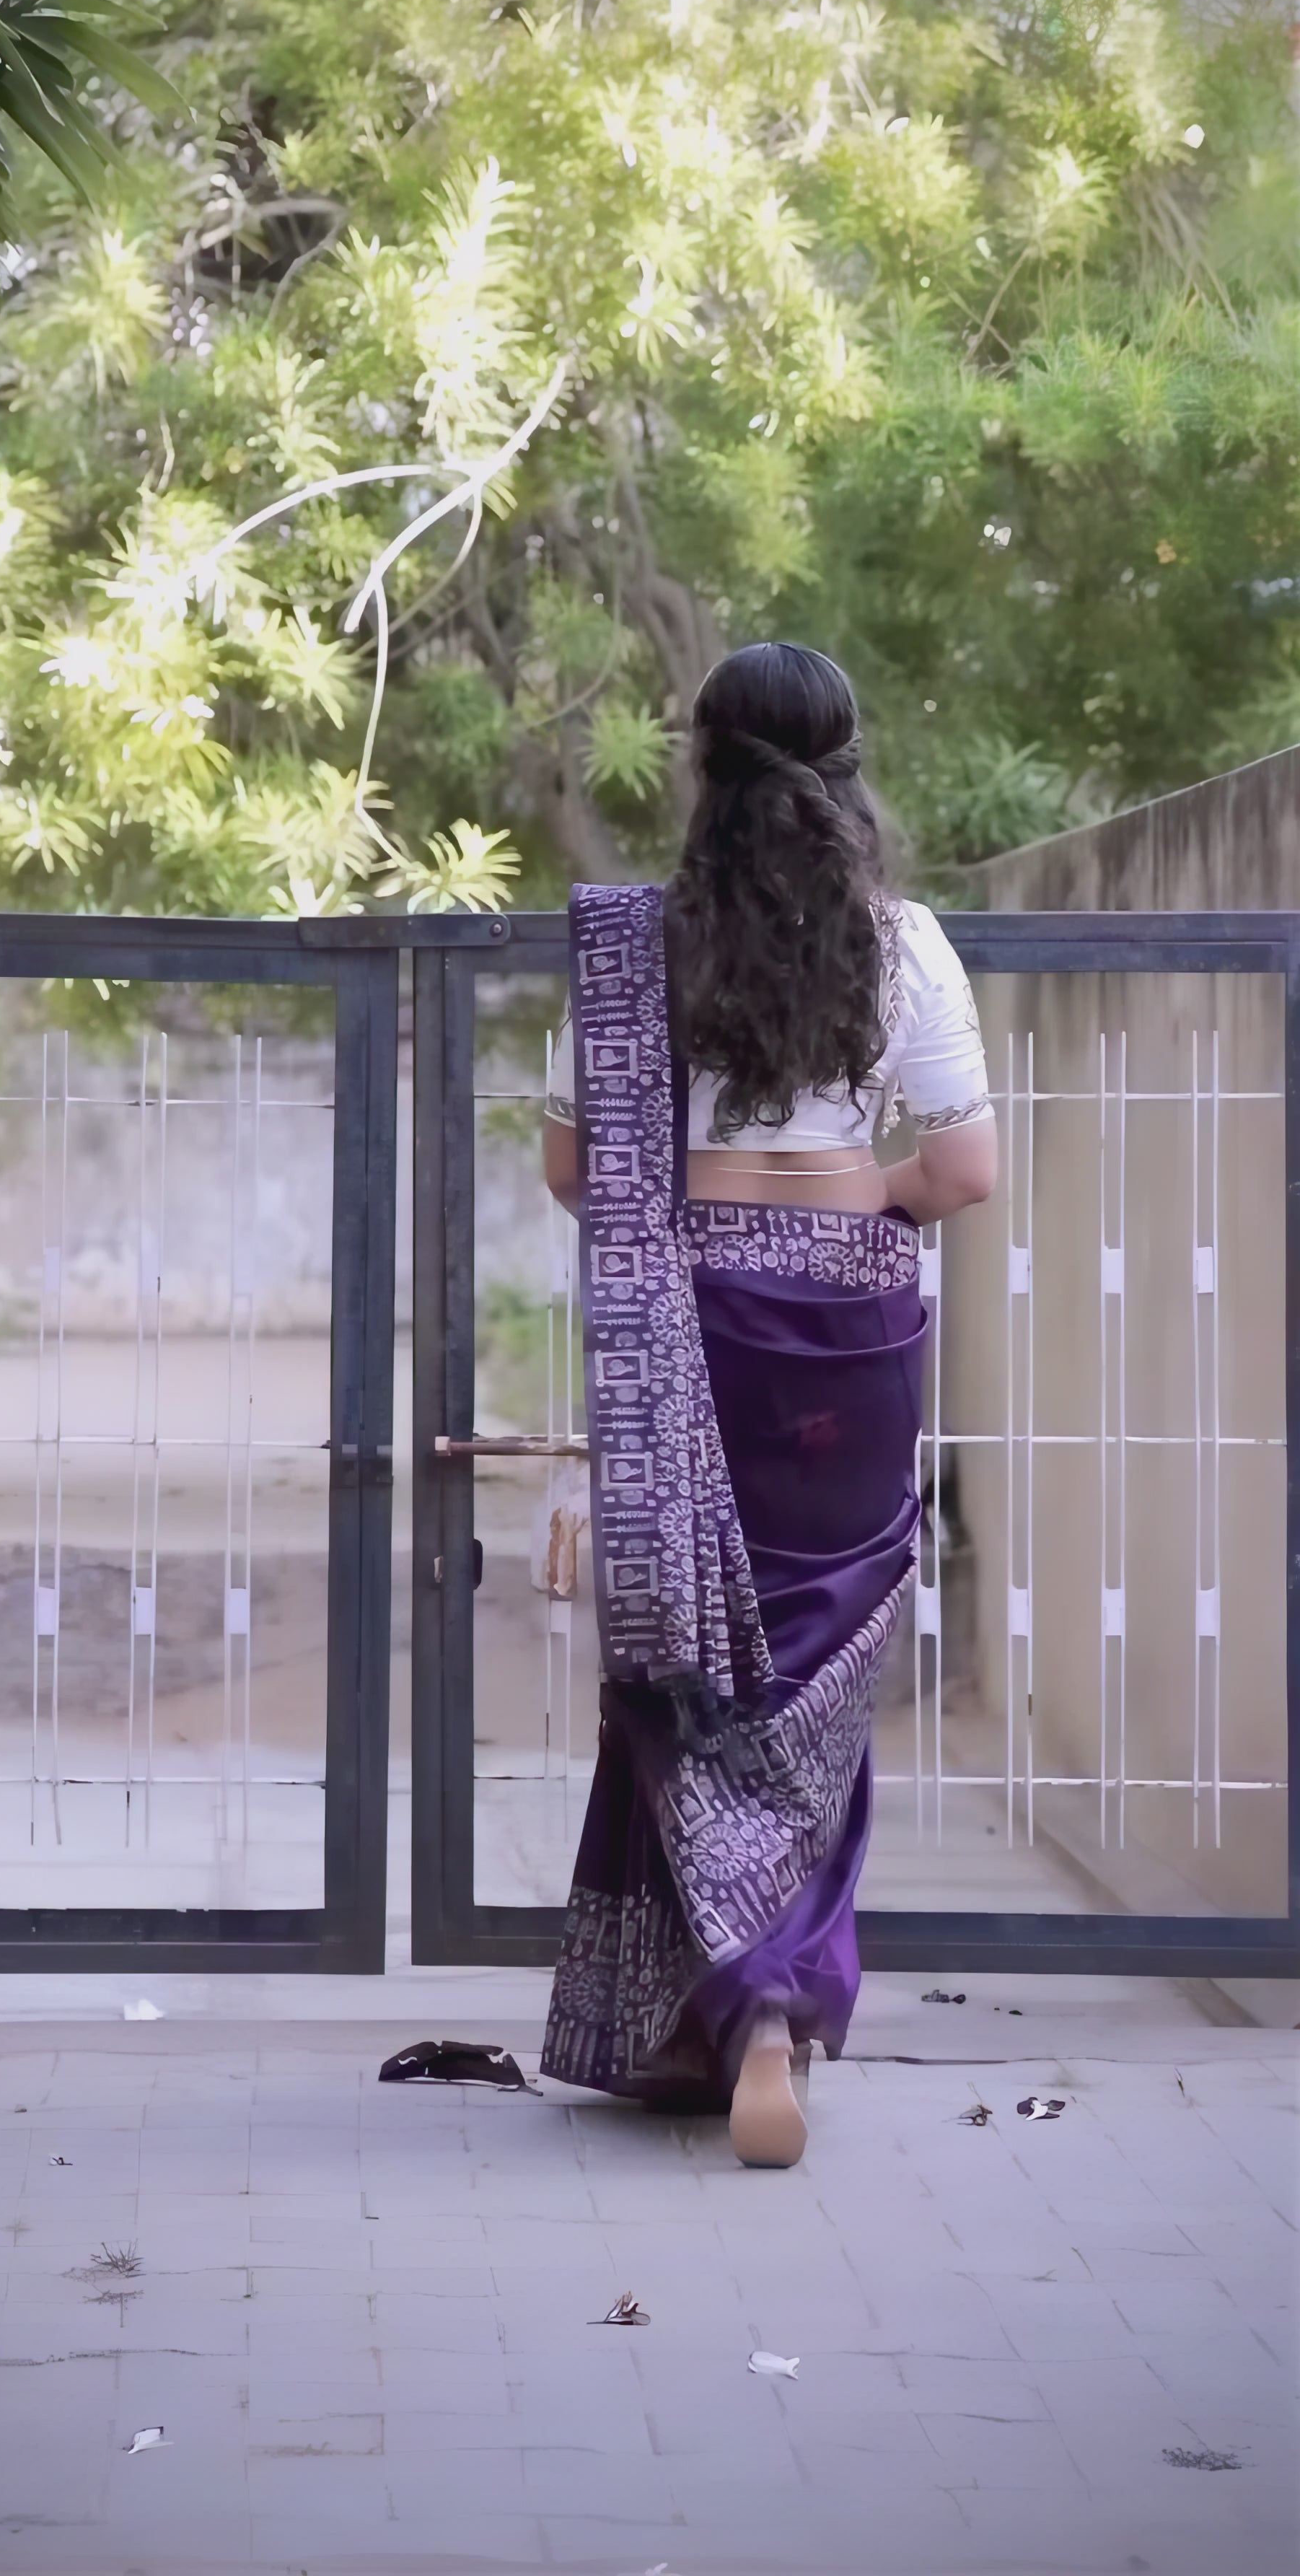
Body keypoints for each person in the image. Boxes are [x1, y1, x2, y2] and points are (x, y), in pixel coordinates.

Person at [538, 641, 997, 2167]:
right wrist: (855, 1186)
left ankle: (699, 2024)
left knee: (685, 1672)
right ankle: (777, 2014)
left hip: (694, 1322)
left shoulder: (636, 948)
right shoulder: (905, 941)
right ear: (847, 764)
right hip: (851, 1334)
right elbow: (965, 1175)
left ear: (703, 766)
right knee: (816, 1680)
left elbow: (571, 1172)